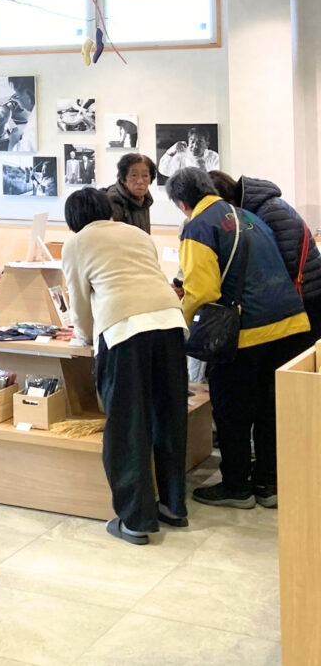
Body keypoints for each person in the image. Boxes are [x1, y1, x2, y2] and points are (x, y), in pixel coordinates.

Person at [167, 167, 311, 509]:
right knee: (268, 410)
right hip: (288, 325)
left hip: (245, 333)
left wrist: (180, 323)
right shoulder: (248, 216)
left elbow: (202, 291)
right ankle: (268, 484)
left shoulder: (199, 227)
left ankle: (236, 486)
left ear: (182, 203)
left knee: (232, 411)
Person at [62, 188, 189, 545]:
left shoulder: (77, 243)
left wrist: (84, 337)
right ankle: (173, 506)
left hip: (125, 330)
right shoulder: (136, 233)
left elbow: (79, 300)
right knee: (168, 417)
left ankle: (136, 520)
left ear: (73, 219)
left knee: (128, 424)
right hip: (170, 322)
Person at [209, 170, 321, 340]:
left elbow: (284, 263)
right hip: (304, 292)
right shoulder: (261, 208)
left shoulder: (269, 211)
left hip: (307, 295)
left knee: (303, 353)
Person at [104, 153, 156, 233]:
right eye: (134, 175)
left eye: (145, 176)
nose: (140, 181)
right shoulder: (113, 201)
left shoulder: (145, 199)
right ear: (123, 178)